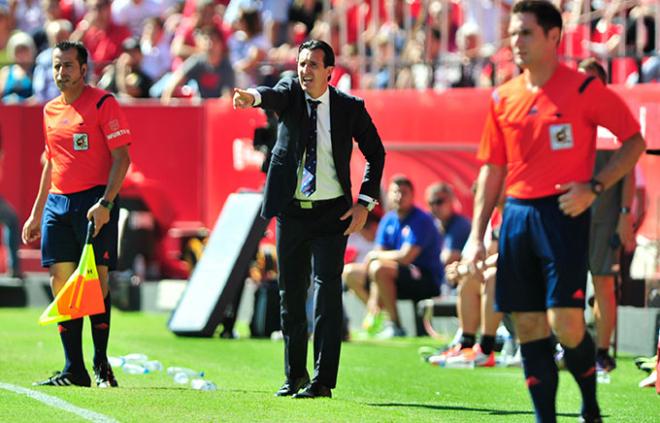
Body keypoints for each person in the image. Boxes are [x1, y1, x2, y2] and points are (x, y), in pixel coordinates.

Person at [465, 1, 646, 422]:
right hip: (516, 217)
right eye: (513, 34)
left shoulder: (584, 90)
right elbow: (493, 170)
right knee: (527, 326)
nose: (516, 42)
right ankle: (545, 418)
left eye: (526, 33)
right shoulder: (502, 96)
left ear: (553, 37)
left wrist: (595, 187)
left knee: (566, 322)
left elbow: (634, 141)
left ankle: (590, 405)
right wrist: (476, 235)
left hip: (563, 214)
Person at [233, 39, 385, 399]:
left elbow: (376, 153)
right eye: (302, 64)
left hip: (333, 212)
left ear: (330, 71)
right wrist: (252, 98)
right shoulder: (290, 91)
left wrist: (364, 202)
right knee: (291, 295)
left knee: (327, 294)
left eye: (314, 65)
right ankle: (294, 375)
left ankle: (322, 381)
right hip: (292, 211)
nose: (305, 71)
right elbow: (271, 94)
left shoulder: (349, 108)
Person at [22, 40, 132, 388]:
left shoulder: (103, 103)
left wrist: (106, 204)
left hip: (94, 203)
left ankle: (101, 363)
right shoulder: (49, 110)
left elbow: (122, 158)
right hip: (58, 203)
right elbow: (50, 162)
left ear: (84, 69)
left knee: (96, 283)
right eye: (57, 66)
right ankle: (75, 368)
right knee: (61, 283)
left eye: (68, 65)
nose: (61, 72)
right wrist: (36, 213)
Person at [578, 57, 635, 374]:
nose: (584, 85)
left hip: (604, 217)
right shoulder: (569, 114)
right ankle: (570, 348)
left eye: (590, 79)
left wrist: (625, 214)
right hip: (571, 214)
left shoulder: (615, 116)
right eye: (580, 79)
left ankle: (602, 353)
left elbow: (629, 170)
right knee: (566, 285)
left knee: (603, 284)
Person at [346, 176, 442, 338]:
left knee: (379, 267)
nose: (399, 196)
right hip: (391, 275)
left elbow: (406, 257)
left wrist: (374, 255)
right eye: (395, 192)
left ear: (413, 195)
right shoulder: (388, 219)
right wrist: (374, 298)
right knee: (349, 273)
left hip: (424, 278)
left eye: (404, 192)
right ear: (388, 195)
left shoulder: (421, 219)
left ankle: (396, 326)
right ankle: (378, 316)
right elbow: (378, 258)